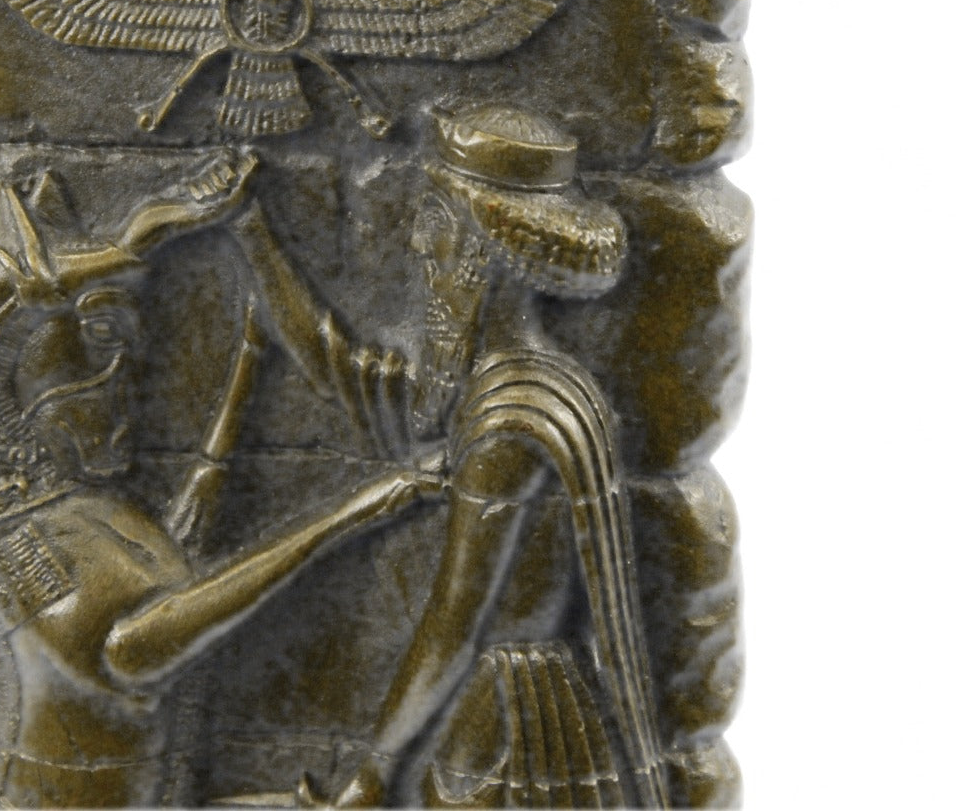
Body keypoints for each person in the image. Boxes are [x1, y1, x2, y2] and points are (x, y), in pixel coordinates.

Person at [0, 150, 441, 808]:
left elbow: (173, 553)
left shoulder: (63, 507)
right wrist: (361, 508)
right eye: (107, 378)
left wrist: (247, 364)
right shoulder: (18, 539)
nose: (129, 413)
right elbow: (136, 642)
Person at [224, 106, 670, 808]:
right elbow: (341, 365)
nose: (418, 245)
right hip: (532, 707)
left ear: (480, 256)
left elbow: (455, 625)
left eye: (436, 225)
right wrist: (251, 227)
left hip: (506, 726)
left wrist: (373, 772)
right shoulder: (547, 386)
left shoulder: (506, 420)